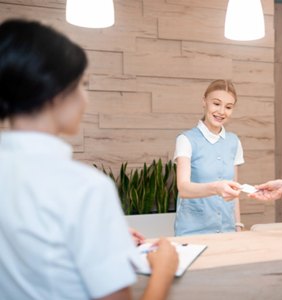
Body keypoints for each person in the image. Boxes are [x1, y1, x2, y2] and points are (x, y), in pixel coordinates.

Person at [0, 19, 178, 300]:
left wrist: (101, 233)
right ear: (55, 93)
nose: (86, 99)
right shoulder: (85, 188)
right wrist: (164, 269)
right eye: (83, 85)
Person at [174, 79, 244, 236]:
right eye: (216, 103)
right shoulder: (186, 140)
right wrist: (216, 188)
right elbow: (183, 188)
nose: (221, 111)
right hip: (193, 232)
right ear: (204, 101)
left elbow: (234, 191)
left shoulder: (234, 142)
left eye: (228, 107)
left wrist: (238, 226)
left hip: (227, 232)